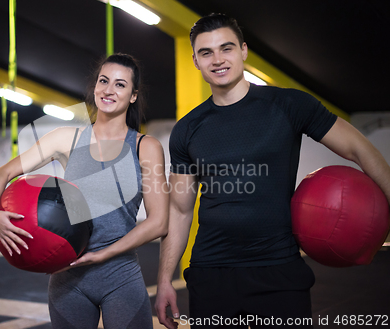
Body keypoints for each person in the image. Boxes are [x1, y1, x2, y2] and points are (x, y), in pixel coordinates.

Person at [154, 13, 390, 329]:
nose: (218, 59)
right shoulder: (187, 129)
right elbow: (180, 210)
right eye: (206, 52)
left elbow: (360, 148)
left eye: (226, 48)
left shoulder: (289, 105)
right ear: (195, 61)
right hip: (212, 272)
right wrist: (165, 279)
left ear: (243, 51)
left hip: (279, 270)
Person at [0, 53, 169, 329]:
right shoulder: (65, 139)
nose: (108, 90)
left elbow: (159, 222)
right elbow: (1, 174)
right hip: (67, 279)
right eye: (103, 81)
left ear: (133, 95)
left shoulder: (146, 147)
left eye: (120, 85)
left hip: (120, 274)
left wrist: (104, 254)